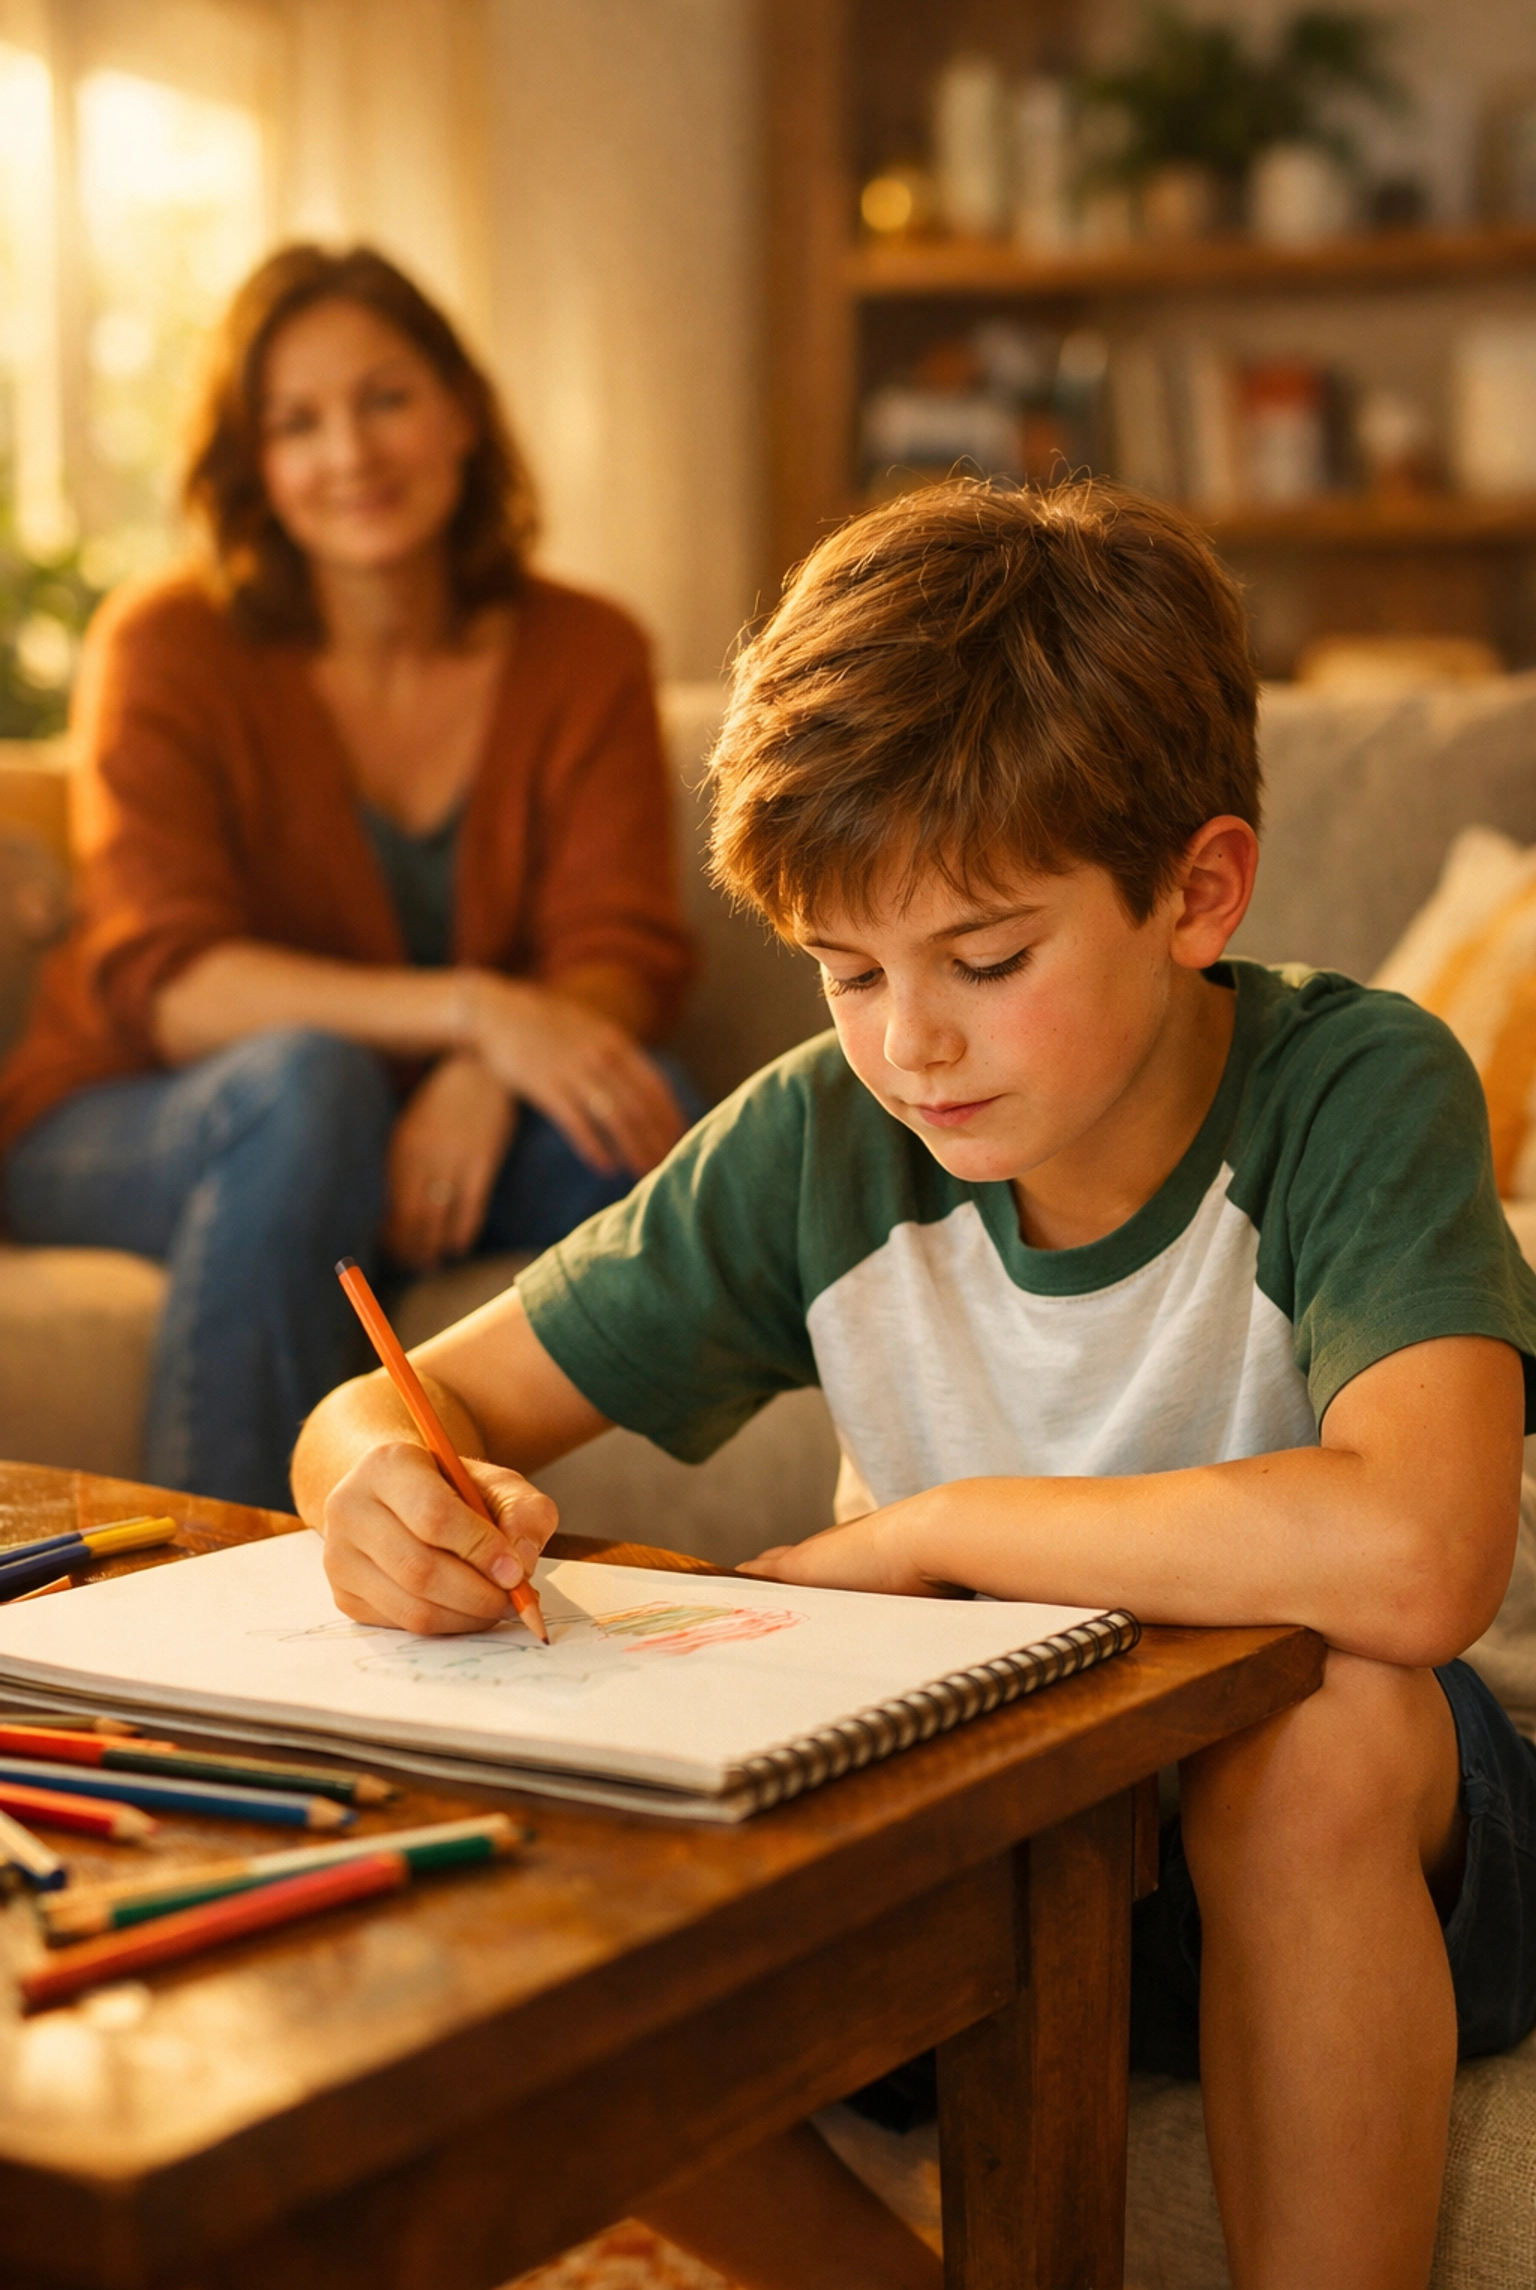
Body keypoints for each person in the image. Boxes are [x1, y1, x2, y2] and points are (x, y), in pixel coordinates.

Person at [292, 479, 1536, 2290]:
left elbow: (1424, 1553)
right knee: (550, 1900)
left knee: (1314, 1725)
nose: (906, 1042)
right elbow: (399, 1403)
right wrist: (378, 1489)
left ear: (1197, 891)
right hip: (1009, 1827)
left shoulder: (1353, 1087)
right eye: (843, 968)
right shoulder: (820, 1132)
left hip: (1383, 1835)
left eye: (985, 958)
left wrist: (943, 1536)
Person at [0, 244, 694, 1514]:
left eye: (386, 398)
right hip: (127, 1121)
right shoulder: (166, 648)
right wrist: (476, 1012)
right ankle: (207, 1601)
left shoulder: (585, 650)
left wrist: (496, 1067)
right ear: (251, 464)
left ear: (461, 413)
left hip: (412, 1137)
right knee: (305, 1088)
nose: (351, 454)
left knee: (645, 1104)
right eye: (297, 422)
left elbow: (620, 949)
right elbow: (173, 988)